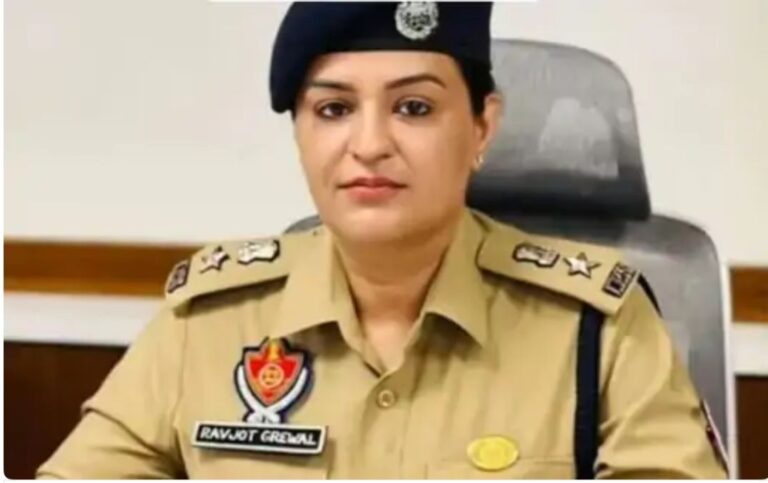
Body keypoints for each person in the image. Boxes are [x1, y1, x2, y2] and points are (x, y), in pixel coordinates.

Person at [37, 2, 728, 479]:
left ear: (482, 127)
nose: (368, 144)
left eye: (414, 108)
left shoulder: (595, 327)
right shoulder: (209, 321)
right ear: (301, 133)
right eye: (334, 108)